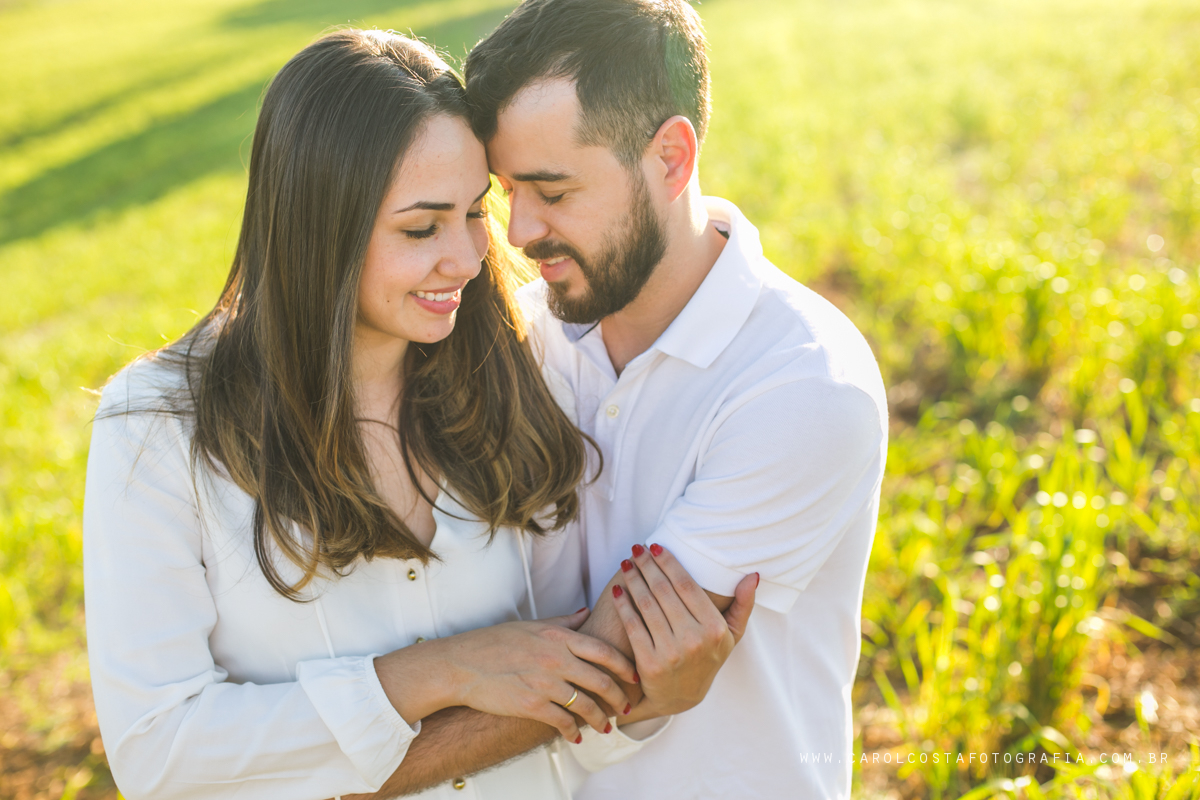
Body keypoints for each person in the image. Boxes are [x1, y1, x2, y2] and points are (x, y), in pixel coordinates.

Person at [83, 29, 755, 800]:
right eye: (419, 227)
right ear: (317, 227)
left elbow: (549, 693)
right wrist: (432, 674)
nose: (470, 258)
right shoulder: (160, 425)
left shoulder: (522, 364)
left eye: (476, 211)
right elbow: (158, 756)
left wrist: (638, 704)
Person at [463, 1, 890, 797]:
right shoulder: (520, 341)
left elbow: (609, 670)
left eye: (552, 191)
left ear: (670, 157)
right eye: (507, 190)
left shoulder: (801, 383)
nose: (518, 231)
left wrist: (350, 769)